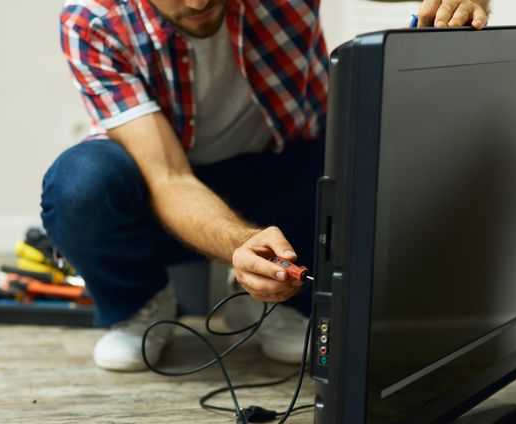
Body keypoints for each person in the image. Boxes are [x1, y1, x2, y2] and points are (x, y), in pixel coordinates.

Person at [41, 0, 491, 372]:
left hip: (284, 172)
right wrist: (241, 241)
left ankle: (284, 303)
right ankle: (139, 300)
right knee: (79, 186)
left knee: (362, 152)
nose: (198, 4)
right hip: (166, 188)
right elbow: (170, 178)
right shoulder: (92, 22)